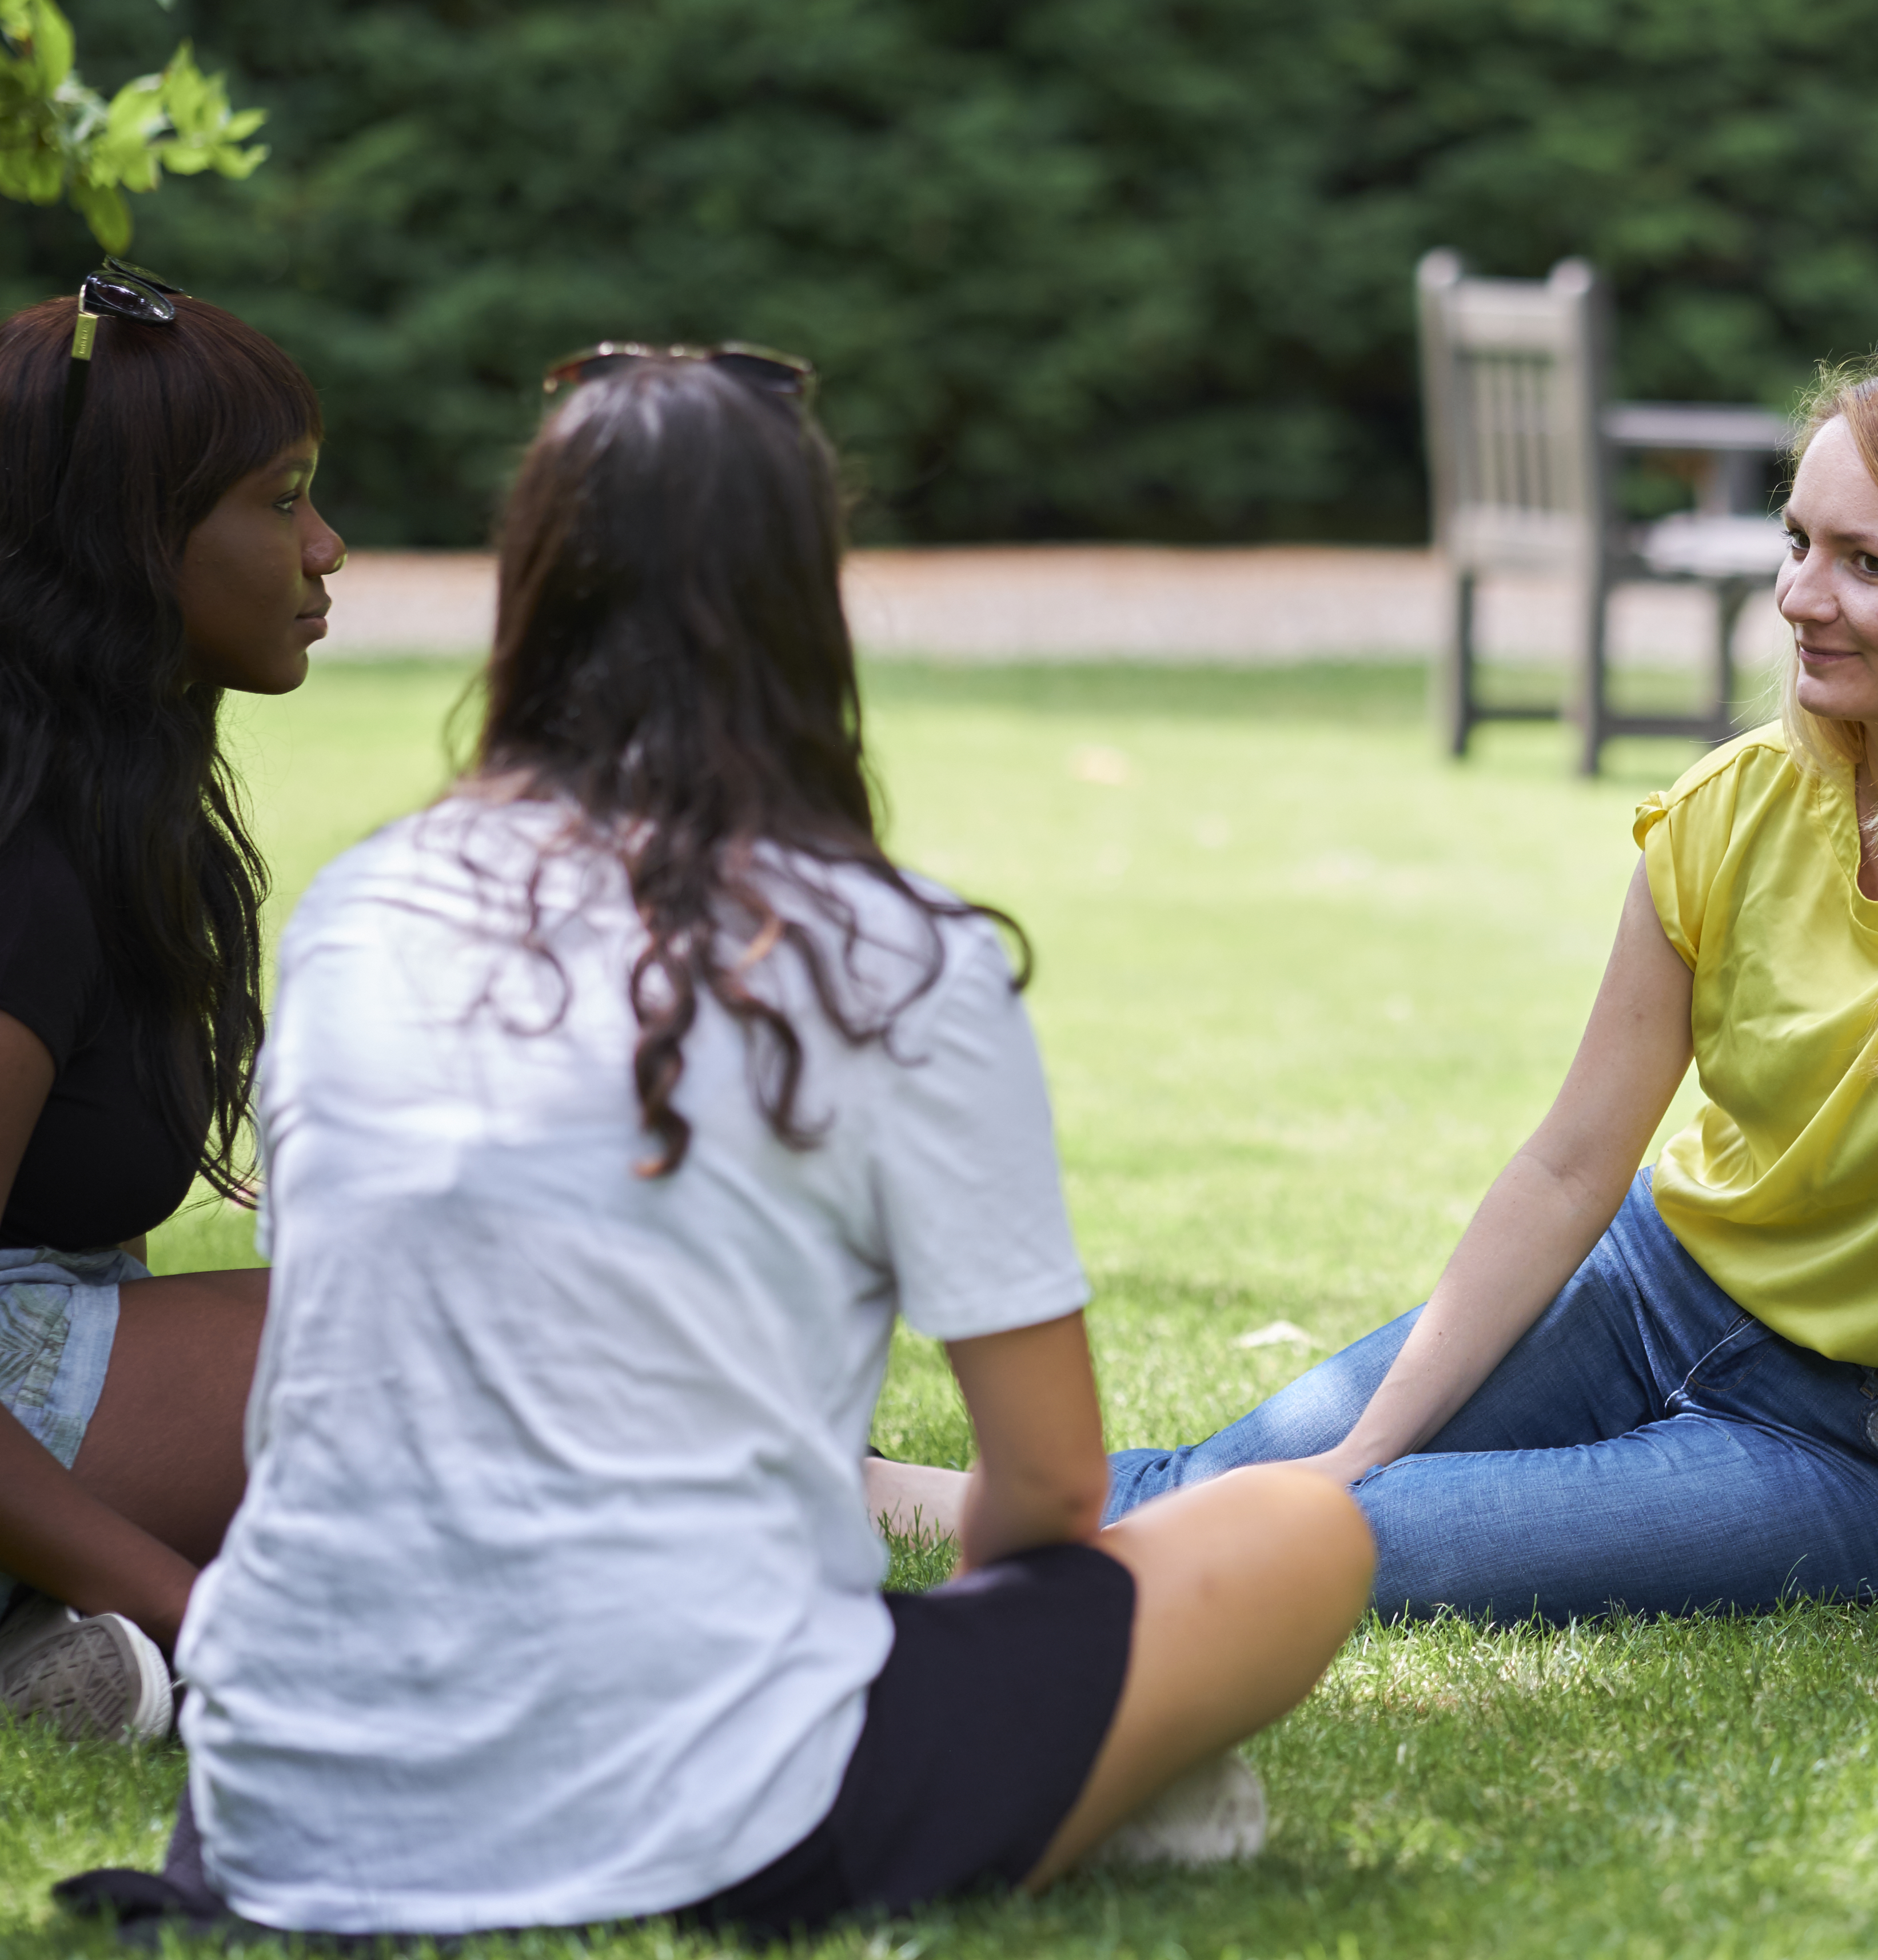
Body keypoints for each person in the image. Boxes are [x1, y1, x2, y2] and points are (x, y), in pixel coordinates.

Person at [159, 350, 1373, 1937]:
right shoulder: (887, 956)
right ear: (811, 593)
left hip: (277, 1801)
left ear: (533, 585)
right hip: (705, 1799)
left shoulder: (354, 909)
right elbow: (1053, 1481)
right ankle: (1073, 1786)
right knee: (1295, 1525)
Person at [1060, 343, 1878, 1623]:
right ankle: (851, 1498)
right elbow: (1571, 1162)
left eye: (1869, 564)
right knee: (1250, 1481)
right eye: (1796, 541)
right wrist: (1359, 1444)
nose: (1802, 596)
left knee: (1346, 1545)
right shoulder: (1731, 804)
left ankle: (985, 1598)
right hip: (1652, 1282)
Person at [0, 261, 334, 1742]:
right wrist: (207, 1614)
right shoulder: (21, 865)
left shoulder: (112, 810)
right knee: (441, 1342)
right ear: (127, 546)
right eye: (281, 500)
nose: (328, 547)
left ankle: (46, 1645)